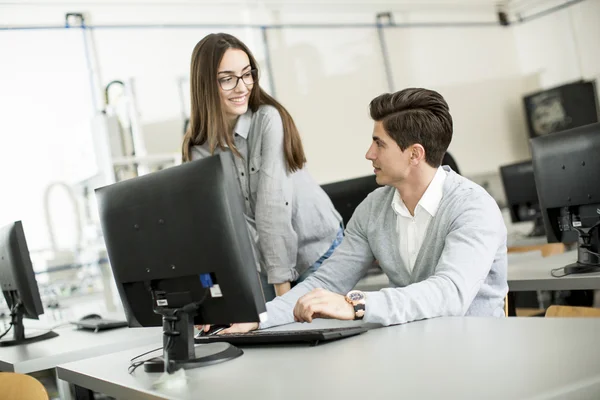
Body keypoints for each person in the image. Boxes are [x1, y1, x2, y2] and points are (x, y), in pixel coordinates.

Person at [221, 87, 508, 333]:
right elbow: (327, 280)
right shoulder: (374, 208)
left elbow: (449, 293)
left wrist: (356, 305)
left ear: (414, 154)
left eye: (379, 143)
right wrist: (259, 319)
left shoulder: (473, 208)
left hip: (476, 354)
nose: (369, 154)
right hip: (418, 353)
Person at [182, 33, 343, 302]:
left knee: (315, 335)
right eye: (227, 79)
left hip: (316, 250)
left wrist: (283, 300)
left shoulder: (267, 119)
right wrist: (209, 294)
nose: (242, 87)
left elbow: (272, 206)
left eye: (247, 74)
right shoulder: (198, 147)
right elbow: (212, 226)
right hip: (266, 266)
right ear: (205, 84)